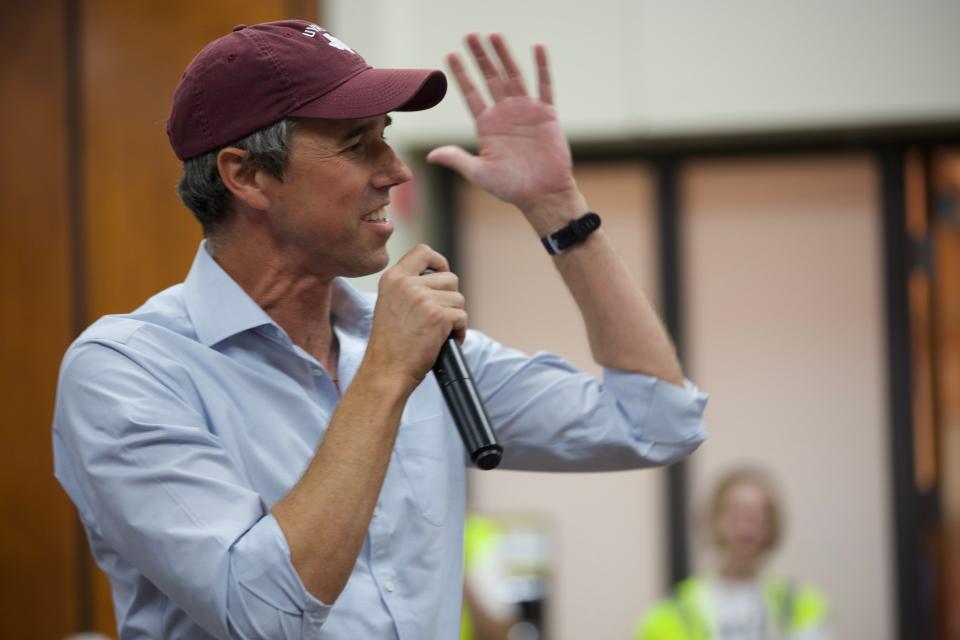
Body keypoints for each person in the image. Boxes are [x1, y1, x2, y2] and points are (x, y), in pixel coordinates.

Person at [52, 20, 708, 639]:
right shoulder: (128, 371)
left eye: (386, 136)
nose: (395, 170)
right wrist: (388, 374)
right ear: (246, 175)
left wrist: (556, 206)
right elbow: (264, 613)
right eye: (356, 144)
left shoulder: (408, 342)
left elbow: (656, 421)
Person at [633, 467, 830, 640]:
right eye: (735, 516)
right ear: (713, 521)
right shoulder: (673, 612)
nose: (746, 528)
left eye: (756, 518)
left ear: (772, 526)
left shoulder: (800, 605)